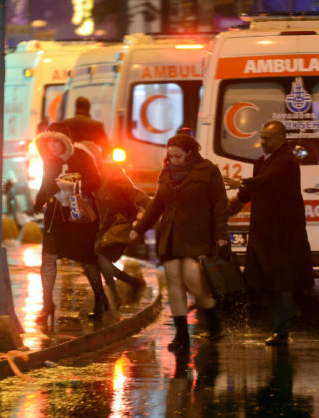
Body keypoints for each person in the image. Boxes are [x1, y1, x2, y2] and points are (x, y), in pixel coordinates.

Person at [130, 133, 230, 352]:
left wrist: (221, 234)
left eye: (177, 156)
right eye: (170, 155)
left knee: (193, 280)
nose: (172, 159)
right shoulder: (166, 172)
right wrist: (139, 229)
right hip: (171, 234)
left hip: (197, 233)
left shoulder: (208, 171)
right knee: (174, 281)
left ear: (190, 153)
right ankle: (182, 336)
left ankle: (213, 319)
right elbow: (157, 204)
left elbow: (220, 204)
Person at [224, 120, 313, 346]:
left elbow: (268, 181)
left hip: (282, 233)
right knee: (259, 280)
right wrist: (230, 206)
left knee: (280, 280)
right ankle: (284, 318)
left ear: (281, 138)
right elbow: (253, 192)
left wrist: (241, 183)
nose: (262, 141)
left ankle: (281, 327)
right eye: (261, 136)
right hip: (263, 232)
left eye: (268, 137)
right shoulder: (264, 161)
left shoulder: (288, 162)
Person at [32, 122, 109, 324]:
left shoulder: (81, 157)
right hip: (55, 216)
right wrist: (37, 203)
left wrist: (74, 185)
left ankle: (100, 299)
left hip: (79, 217)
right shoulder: (49, 161)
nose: (52, 146)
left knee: (86, 259)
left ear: (65, 141)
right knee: (48, 258)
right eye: (49, 141)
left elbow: (97, 182)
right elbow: (45, 183)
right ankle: (47, 305)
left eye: (56, 141)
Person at [75, 140, 150, 306]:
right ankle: (133, 283)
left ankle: (114, 296)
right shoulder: (82, 175)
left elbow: (131, 191)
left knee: (99, 256)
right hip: (101, 227)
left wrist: (153, 209)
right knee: (96, 260)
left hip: (120, 222)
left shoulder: (110, 170)